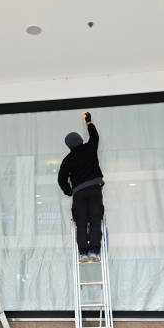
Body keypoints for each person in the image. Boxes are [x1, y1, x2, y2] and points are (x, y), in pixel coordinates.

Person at [58, 112, 104, 263]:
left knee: (82, 223)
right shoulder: (90, 148)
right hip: (94, 189)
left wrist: (69, 191)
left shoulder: (67, 160)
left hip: (79, 193)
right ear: (80, 140)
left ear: (69, 145)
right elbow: (95, 137)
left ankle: (83, 253)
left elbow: (61, 179)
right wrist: (89, 122)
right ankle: (95, 252)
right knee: (96, 220)